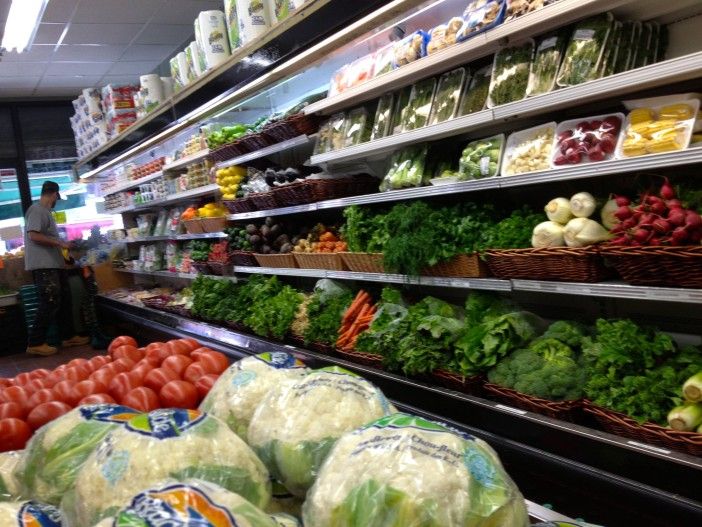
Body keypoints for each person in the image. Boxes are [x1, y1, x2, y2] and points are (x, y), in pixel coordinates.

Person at [24, 181, 89, 356]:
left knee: (64, 300)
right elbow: (33, 235)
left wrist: (65, 260)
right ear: (54, 194)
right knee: (50, 302)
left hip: (53, 264)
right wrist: (60, 242)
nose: (56, 201)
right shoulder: (37, 210)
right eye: (56, 198)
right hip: (43, 265)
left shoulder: (47, 212)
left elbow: (47, 238)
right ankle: (35, 343)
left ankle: (68, 336)